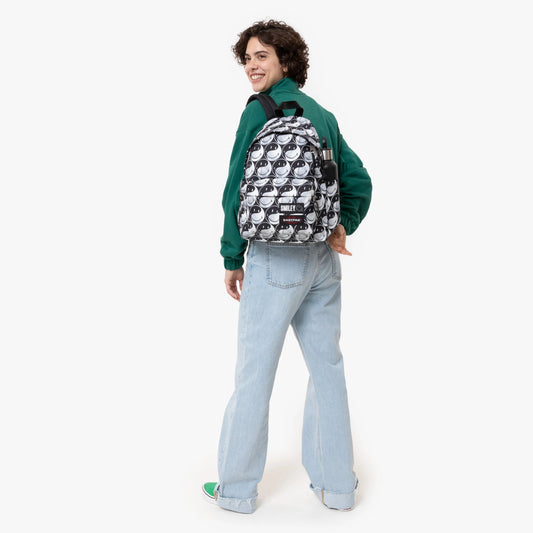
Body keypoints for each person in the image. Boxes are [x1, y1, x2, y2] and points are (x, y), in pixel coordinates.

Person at [202, 20, 372, 513]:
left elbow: (236, 186)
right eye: (247, 59)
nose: (252, 67)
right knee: (327, 370)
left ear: (285, 61)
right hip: (322, 258)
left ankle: (236, 492)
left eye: (262, 57)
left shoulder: (258, 112)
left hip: (274, 259)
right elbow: (358, 180)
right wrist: (342, 225)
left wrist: (232, 256)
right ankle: (337, 488)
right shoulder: (321, 115)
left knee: (254, 374)